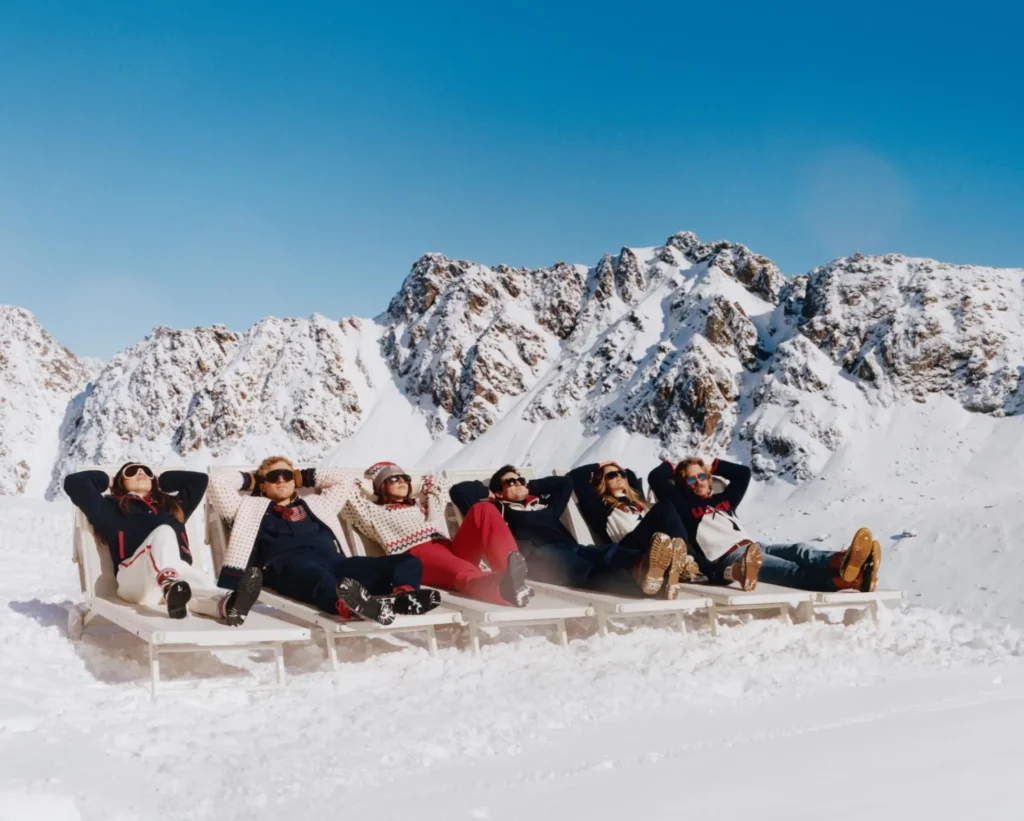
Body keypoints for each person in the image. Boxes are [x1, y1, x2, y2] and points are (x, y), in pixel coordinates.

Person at [209, 457, 440, 626]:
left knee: (407, 562)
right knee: (317, 578)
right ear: (263, 485)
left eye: (287, 476)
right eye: (272, 477)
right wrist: (251, 479)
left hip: (336, 563)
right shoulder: (247, 507)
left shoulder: (317, 503)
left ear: (295, 481)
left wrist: (304, 476)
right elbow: (217, 482)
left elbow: (344, 480)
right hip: (286, 566)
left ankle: (404, 597)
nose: (281, 480)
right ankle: (347, 605)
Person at [648, 457, 881, 592]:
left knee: (800, 550)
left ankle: (849, 562)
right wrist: (672, 466)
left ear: (709, 479)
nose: (697, 481)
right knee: (789, 570)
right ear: (684, 484)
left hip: (754, 546)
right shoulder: (683, 505)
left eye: (702, 476)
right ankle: (849, 580)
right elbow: (656, 478)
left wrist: (715, 465)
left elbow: (742, 475)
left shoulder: (723, 501)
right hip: (731, 558)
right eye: (691, 479)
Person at [64, 463, 261, 624]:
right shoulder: (109, 508)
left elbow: (199, 480)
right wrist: (108, 479)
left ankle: (228, 605)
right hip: (135, 582)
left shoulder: (173, 507)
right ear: (120, 482)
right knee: (164, 533)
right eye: (131, 471)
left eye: (147, 472)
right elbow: (74, 483)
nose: (140, 472)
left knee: (192, 581)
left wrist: (162, 481)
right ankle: (170, 585)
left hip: (174, 583)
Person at [450, 466, 686, 597]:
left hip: (571, 547)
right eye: (510, 482)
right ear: (498, 491)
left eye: (520, 479)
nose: (518, 483)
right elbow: (459, 491)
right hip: (540, 556)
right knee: (586, 569)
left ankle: (647, 567)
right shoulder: (500, 512)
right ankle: (647, 578)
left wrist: (529, 486)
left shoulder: (545, 507)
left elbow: (564, 483)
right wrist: (491, 495)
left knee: (607, 553)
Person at [337, 462, 533, 607]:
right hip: (419, 554)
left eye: (405, 478)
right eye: (392, 479)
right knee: (464, 573)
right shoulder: (373, 512)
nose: (402, 482)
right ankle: (503, 588)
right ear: (380, 488)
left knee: (483, 510)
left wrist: (417, 486)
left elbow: (440, 484)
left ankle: (513, 575)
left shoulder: (423, 506)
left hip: (448, 547)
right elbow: (347, 498)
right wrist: (367, 484)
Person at [568, 461, 701, 593]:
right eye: (612, 475)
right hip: (628, 548)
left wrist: (619, 470)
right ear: (602, 481)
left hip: (657, 545)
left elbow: (630, 474)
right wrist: (604, 464)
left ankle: (710, 569)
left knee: (669, 522)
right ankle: (684, 561)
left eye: (621, 474)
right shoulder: (599, 505)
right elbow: (577, 475)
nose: (619, 476)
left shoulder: (636, 499)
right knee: (665, 507)